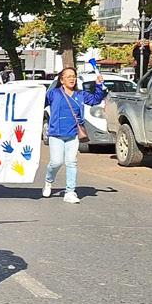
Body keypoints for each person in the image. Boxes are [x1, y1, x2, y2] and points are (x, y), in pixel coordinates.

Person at [42, 67, 110, 204]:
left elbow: (95, 100)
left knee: (71, 162)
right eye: (68, 77)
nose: (72, 79)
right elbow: (37, 102)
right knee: (56, 162)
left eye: (73, 76)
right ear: (61, 80)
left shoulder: (80, 94)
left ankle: (70, 192)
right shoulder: (53, 94)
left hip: (73, 134)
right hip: (56, 134)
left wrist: (98, 85)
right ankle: (48, 181)